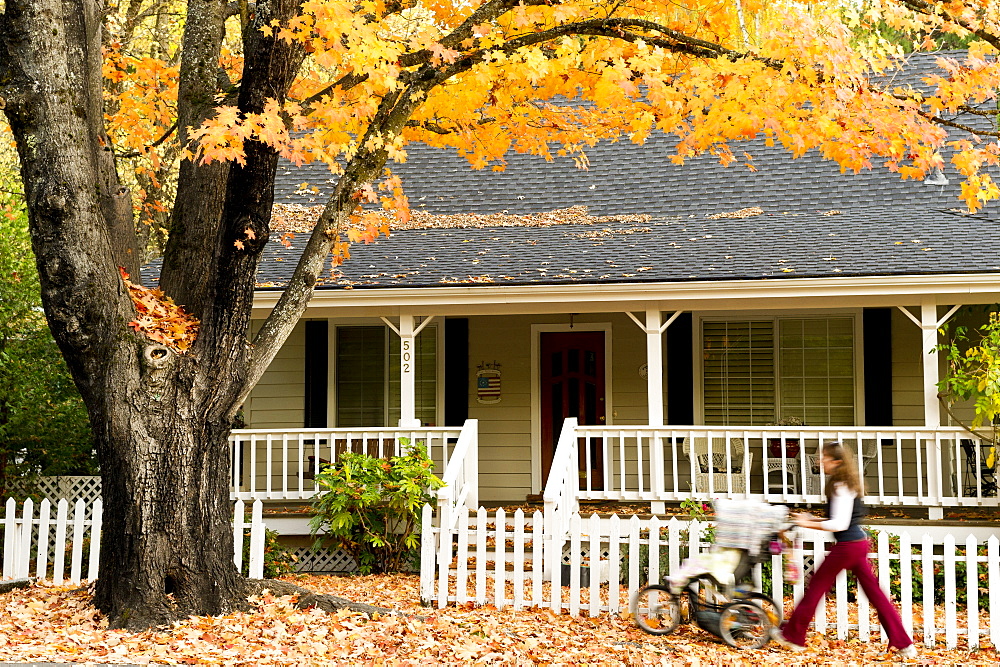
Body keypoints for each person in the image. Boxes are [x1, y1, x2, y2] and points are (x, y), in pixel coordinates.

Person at [771, 441, 917, 659]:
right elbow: (838, 520)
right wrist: (809, 519)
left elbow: (839, 524)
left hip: (849, 546)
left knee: (816, 587)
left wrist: (808, 523)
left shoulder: (841, 485)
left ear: (837, 461)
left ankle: (793, 636)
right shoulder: (842, 482)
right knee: (876, 596)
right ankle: (904, 644)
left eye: (824, 458)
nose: (820, 461)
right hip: (855, 544)